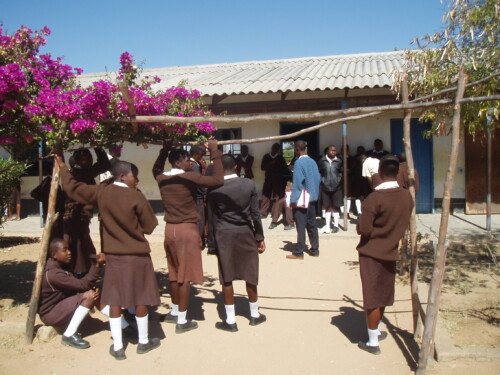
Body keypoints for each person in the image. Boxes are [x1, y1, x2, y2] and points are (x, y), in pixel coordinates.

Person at [56, 153, 160, 360]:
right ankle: (143, 342)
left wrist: (62, 168)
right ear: (122, 176)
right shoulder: (136, 196)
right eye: (134, 176)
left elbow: (73, 189)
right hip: (138, 256)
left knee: (114, 299)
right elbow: (150, 227)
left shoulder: (102, 192)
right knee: (140, 298)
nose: (136, 180)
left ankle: (119, 347)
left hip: (115, 257)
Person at [153, 140, 223, 333]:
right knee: (184, 276)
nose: (190, 162)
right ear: (177, 163)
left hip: (170, 230)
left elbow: (156, 167)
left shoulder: (161, 178)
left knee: (174, 275)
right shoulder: (190, 178)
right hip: (186, 229)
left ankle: (175, 311)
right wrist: (214, 152)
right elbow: (218, 180)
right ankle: (182, 321)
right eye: (186, 160)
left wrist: (164, 149)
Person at [356, 155, 413, 355]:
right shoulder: (407, 196)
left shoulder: (374, 199)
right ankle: (378, 330)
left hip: (371, 252)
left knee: (372, 295)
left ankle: (372, 342)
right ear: (397, 172)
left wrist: (359, 223)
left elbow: (364, 229)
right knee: (383, 293)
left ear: (379, 173)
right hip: (391, 250)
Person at [207, 154, 266, 332]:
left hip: (224, 234)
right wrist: (259, 237)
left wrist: (212, 244)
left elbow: (212, 218)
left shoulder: (214, 189)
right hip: (245, 232)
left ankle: (230, 321)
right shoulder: (248, 184)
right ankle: (254, 315)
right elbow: (255, 214)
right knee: (250, 272)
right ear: (235, 167)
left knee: (227, 276)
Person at [38, 238, 105, 349]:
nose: (69, 252)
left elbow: (78, 285)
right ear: (54, 254)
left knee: (92, 293)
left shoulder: (61, 267)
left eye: (68, 249)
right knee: (89, 296)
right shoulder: (54, 274)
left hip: (60, 306)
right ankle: (69, 335)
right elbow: (83, 285)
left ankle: (122, 324)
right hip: (51, 314)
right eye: (65, 250)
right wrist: (97, 265)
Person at [63, 148, 111, 276]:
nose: (89, 159)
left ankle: (81, 270)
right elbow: (104, 165)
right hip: (75, 215)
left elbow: (105, 165)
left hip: (83, 216)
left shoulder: (85, 171)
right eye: (85, 157)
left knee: (81, 242)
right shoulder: (78, 173)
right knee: (78, 243)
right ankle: (79, 271)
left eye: (90, 156)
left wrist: (98, 147)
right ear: (77, 160)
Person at [286, 140, 321, 259]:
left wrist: (293, 200)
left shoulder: (298, 163)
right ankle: (315, 249)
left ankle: (299, 252)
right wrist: (314, 193)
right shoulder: (313, 161)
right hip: (312, 197)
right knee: (312, 224)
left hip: (301, 199)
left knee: (300, 225)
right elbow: (317, 179)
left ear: (296, 149)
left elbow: (297, 183)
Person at [260, 143, 289, 218]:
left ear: (278, 150)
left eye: (277, 149)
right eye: (274, 148)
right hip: (268, 179)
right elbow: (262, 168)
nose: (275, 150)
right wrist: (270, 164)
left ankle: (274, 213)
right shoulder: (266, 157)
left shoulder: (280, 158)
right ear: (272, 148)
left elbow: (284, 168)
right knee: (265, 196)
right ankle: (263, 213)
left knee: (277, 197)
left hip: (277, 180)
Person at [318, 145, 343, 234]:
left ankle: (336, 225)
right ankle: (327, 226)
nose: (333, 152)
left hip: (337, 187)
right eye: (331, 150)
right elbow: (319, 172)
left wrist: (339, 178)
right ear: (327, 151)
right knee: (327, 207)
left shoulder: (339, 161)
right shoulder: (322, 161)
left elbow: (341, 171)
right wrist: (322, 180)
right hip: (325, 187)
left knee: (336, 206)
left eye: (335, 150)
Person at [190, 145, 208, 249]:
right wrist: (205, 192)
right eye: (201, 154)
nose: (203, 156)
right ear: (196, 154)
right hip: (198, 197)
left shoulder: (194, 164)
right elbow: (198, 182)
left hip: (196, 195)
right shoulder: (194, 166)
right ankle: (198, 243)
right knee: (200, 220)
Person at [350, 147, 371, 215]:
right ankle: (359, 211)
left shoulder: (367, 159)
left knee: (366, 196)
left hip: (366, 180)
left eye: (362, 151)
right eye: (359, 151)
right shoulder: (354, 158)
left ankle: (366, 210)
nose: (361, 152)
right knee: (357, 196)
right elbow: (352, 168)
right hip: (357, 180)